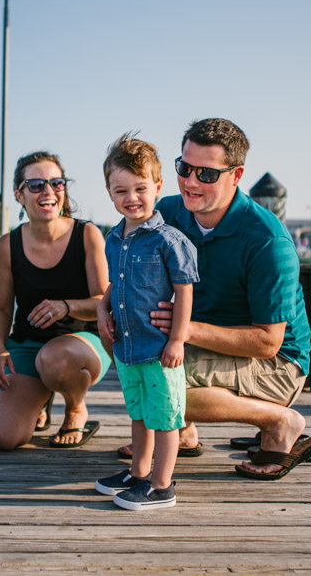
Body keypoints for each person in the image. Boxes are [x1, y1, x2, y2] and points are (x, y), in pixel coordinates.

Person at [103, 118, 311, 480]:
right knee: (127, 343)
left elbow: (268, 342)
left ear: (236, 175)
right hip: (200, 341)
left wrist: (184, 329)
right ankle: (181, 431)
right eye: (184, 168)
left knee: (164, 379)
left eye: (206, 174)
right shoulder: (169, 211)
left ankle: (280, 420)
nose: (190, 182)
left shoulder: (268, 241)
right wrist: (102, 307)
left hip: (278, 365)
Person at [94, 133, 198, 510]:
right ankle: (138, 474)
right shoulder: (113, 238)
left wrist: (177, 340)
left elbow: (184, 291)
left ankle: (161, 486)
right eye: (121, 190)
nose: (132, 198)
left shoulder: (169, 240)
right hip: (127, 347)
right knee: (138, 414)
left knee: (165, 418)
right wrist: (102, 309)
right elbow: (115, 282)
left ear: (158, 186)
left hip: (158, 350)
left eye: (140, 188)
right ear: (109, 192)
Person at [0, 151, 112, 450]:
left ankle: (75, 408)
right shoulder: (7, 246)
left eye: (56, 182)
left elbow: (103, 302)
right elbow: (0, 309)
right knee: (2, 437)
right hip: (29, 344)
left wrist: (66, 306)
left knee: (54, 359)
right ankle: (42, 397)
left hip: (83, 344)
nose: (48, 191)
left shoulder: (87, 234)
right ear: (20, 195)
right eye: (36, 184)